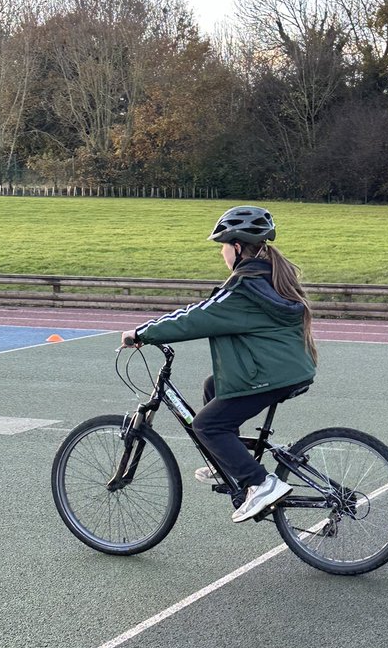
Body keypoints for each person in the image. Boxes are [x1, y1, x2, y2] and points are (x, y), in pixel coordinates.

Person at [121, 205, 317, 523]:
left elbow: (196, 317)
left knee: (206, 425)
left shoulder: (244, 288)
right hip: (287, 369)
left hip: (272, 374)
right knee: (214, 385)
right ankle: (225, 459)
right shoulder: (266, 277)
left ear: (237, 247)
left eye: (224, 246)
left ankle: (260, 483)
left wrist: (143, 332)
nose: (222, 253)